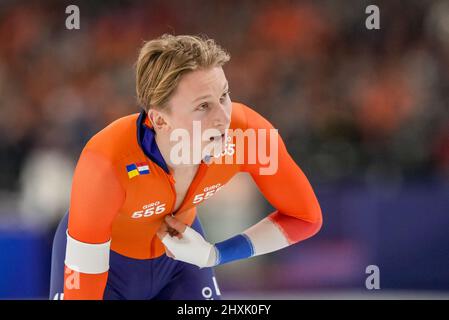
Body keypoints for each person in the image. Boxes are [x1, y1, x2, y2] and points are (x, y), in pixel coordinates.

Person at [49, 34, 323, 300]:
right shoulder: (106, 163)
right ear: (160, 120)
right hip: (104, 267)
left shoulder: (248, 134)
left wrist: (215, 254)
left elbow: (306, 218)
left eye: (224, 95)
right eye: (203, 106)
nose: (223, 118)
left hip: (181, 264)